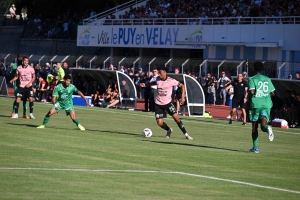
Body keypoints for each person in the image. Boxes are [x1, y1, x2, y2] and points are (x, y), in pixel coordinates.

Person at [141, 66, 193, 140]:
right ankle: (169, 130)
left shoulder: (171, 80)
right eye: (158, 73)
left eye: (160, 73)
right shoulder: (157, 79)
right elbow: (154, 82)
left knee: (176, 118)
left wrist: (183, 97)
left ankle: (186, 134)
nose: (159, 74)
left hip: (168, 103)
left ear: (165, 73)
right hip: (158, 103)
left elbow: (182, 86)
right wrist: (146, 85)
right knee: (159, 123)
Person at [248, 61, 275, 153]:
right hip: (267, 104)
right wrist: (265, 96)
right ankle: (267, 128)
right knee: (263, 124)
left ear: (254, 69)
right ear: (262, 69)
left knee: (254, 126)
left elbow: (252, 92)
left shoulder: (252, 79)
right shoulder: (267, 79)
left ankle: (255, 148)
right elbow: (272, 93)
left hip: (256, 104)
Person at [10, 54, 29, 118]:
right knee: (17, 98)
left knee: (25, 99)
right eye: (19, 57)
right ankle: (13, 112)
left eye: (21, 57)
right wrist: (14, 78)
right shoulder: (14, 66)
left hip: (24, 84)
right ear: (17, 58)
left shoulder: (26, 66)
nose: (20, 58)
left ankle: (24, 114)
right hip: (17, 84)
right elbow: (11, 74)